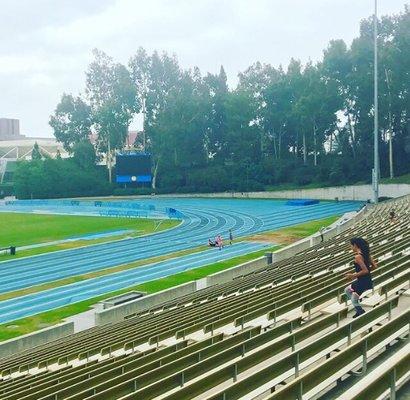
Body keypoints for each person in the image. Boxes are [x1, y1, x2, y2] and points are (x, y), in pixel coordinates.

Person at [344, 237, 377, 318]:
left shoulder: (358, 257)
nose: (350, 247)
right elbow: (374, 266)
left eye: (351, 245)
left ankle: (360, 311)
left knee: (348, 291)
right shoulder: (367, 254)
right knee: (350, 293)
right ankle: (359, 310)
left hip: (362, 282)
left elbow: (365, 270)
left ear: (355, 245)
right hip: (367, 280)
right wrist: (365, 272)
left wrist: (352, 275)